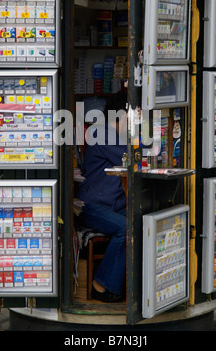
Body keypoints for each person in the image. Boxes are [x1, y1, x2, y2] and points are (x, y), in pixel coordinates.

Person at [77, 91, 127, 302]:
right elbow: (133, 156)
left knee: (143, 220)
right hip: (90, 207)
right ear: (122, 115)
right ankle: (102, 284)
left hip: (112, 204)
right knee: (127, 228)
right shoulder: (104, 134)